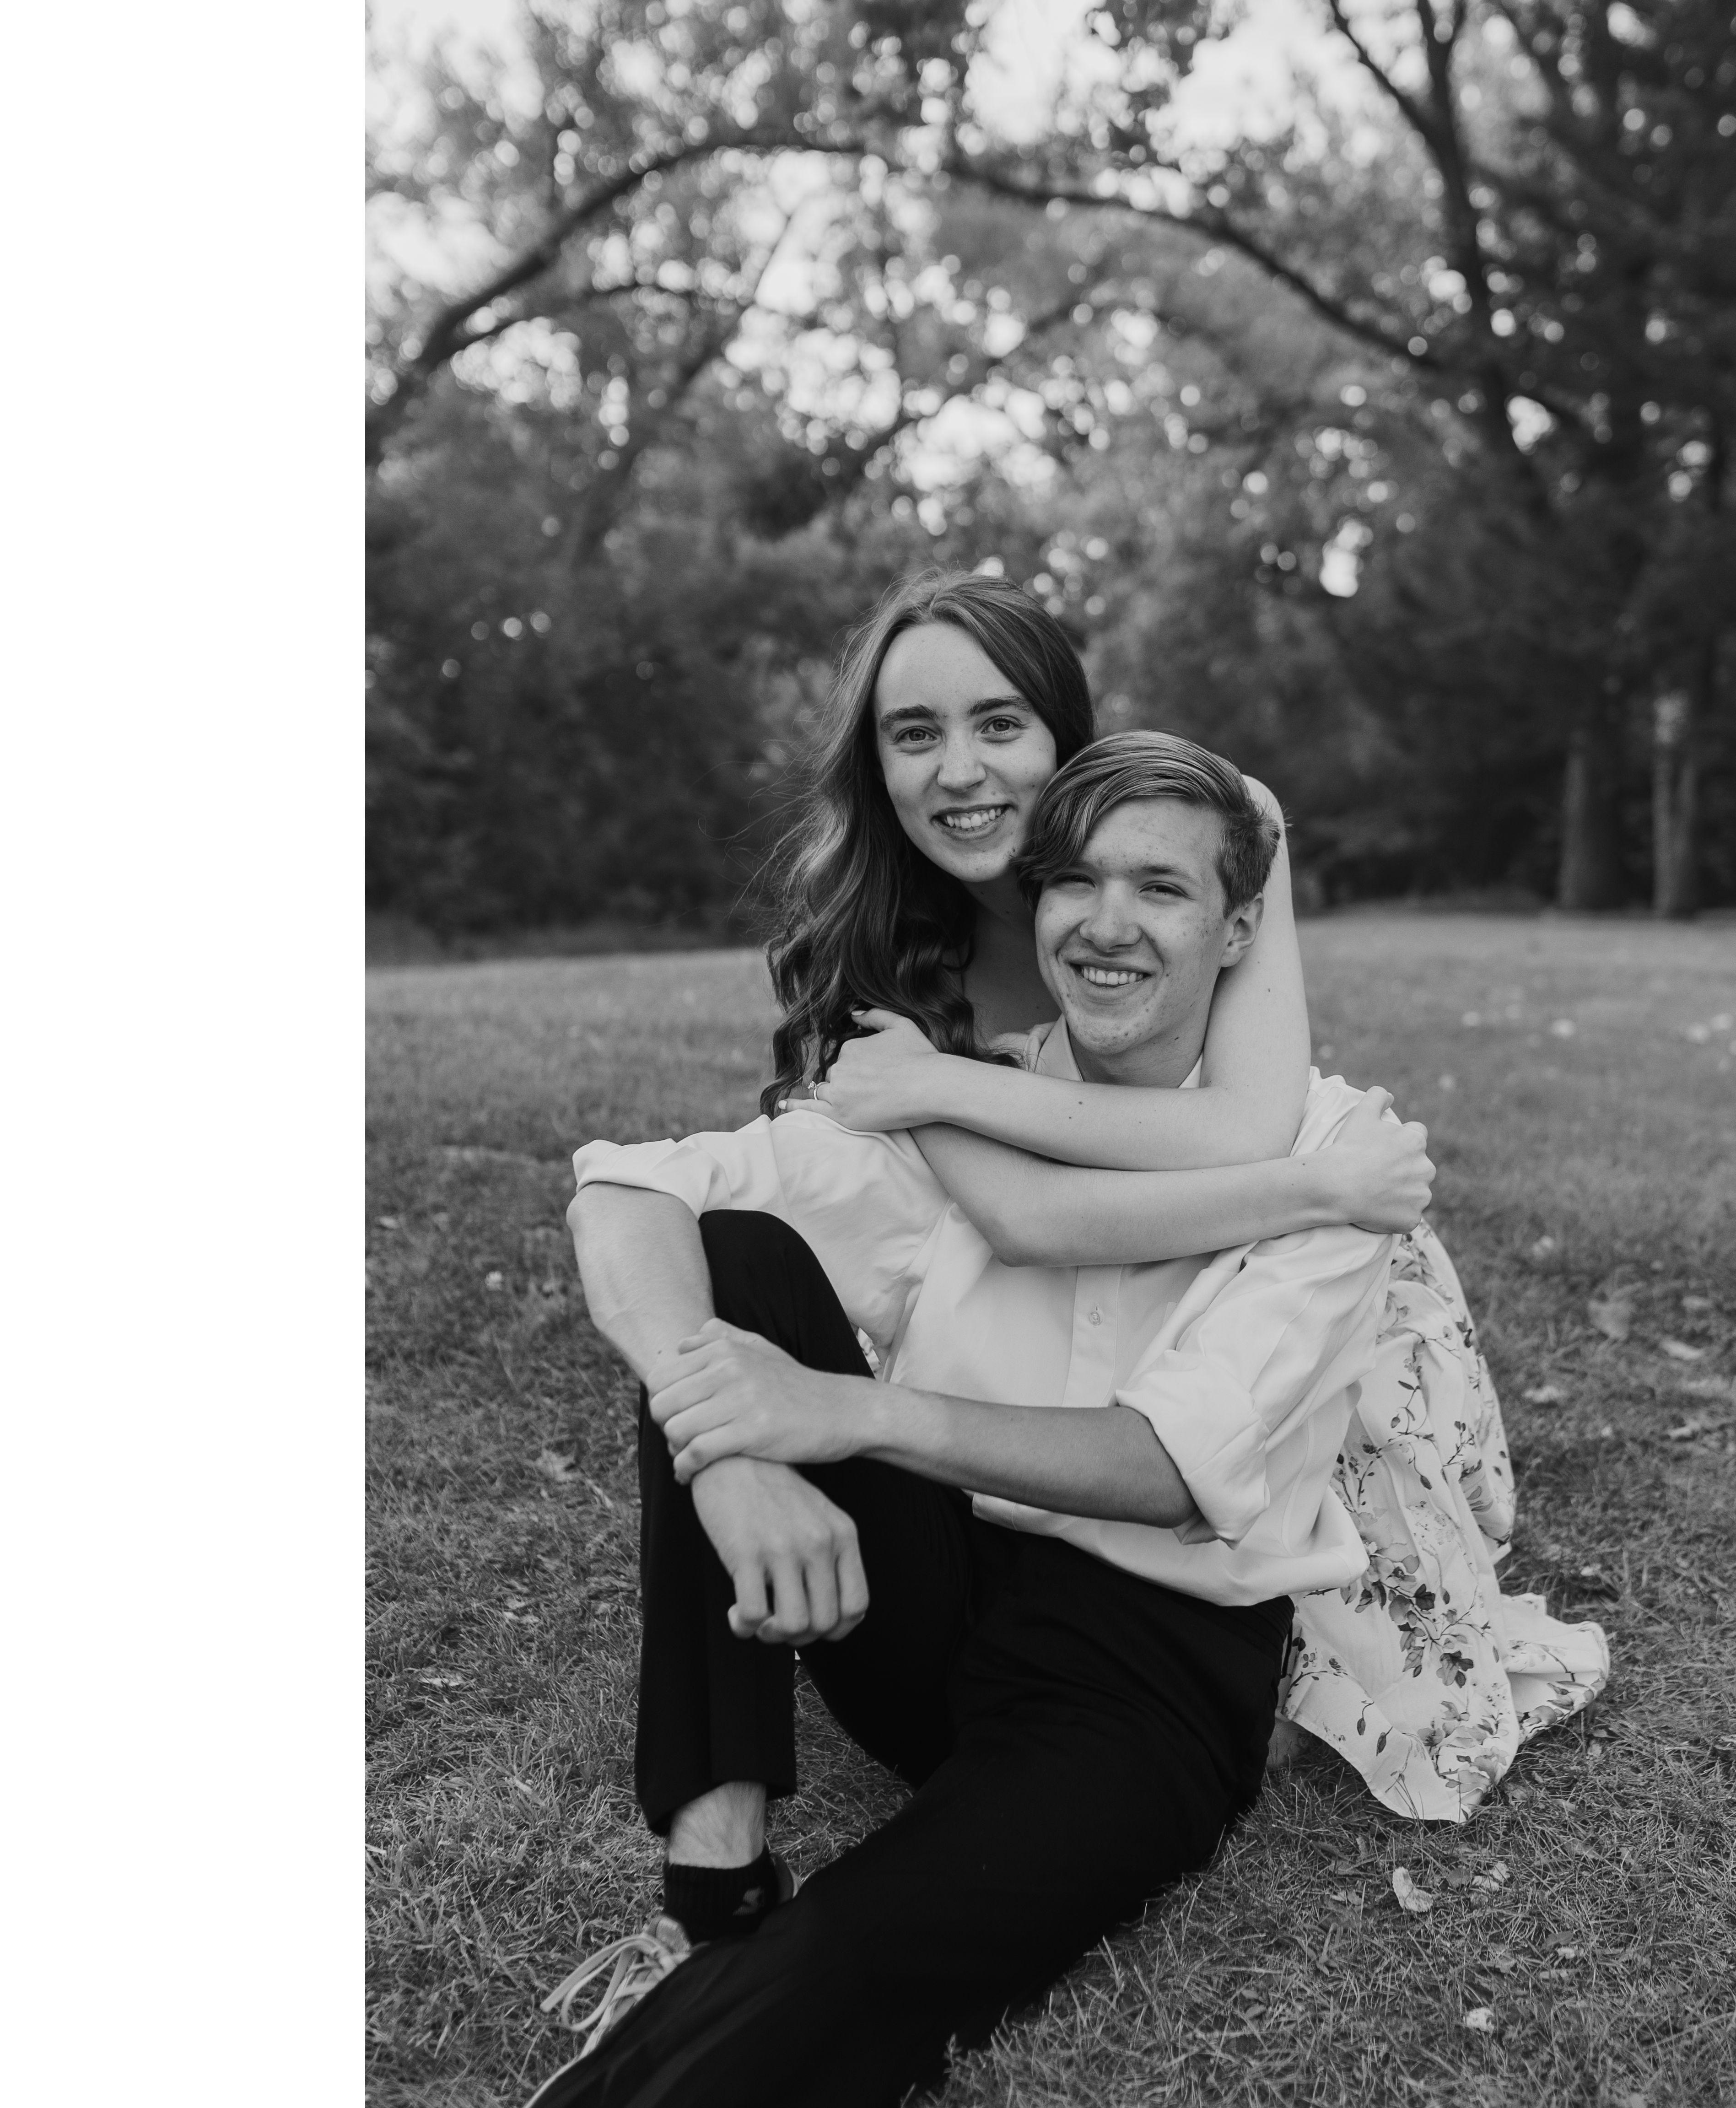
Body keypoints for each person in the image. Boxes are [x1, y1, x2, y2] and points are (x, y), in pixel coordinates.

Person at [540, 735, 1417, 2108]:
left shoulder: (1338, 1154)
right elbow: (629, 1192)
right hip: (931, 1605)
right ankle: (713, 1874)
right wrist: (728, 1456)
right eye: (1074, 882)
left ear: (1241, 927)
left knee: (866, 1951)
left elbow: (1162, 1466)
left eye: (1161, 889)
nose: (1107, 924)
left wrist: (847, 1412)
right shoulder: (953, 1097)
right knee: (736, 1259)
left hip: (1147, 1673)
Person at [758, 568, 1607, 1825]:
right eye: (914, 733)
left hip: (1272, 1228)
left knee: (1301, 1485)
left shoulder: (1222, 819)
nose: (959, 771)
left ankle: (1281, 1629)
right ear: (874, 763)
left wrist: (949, 1084)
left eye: (1000, 724)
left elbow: (1243, 1124)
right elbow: (1026, 1221)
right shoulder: (881, 955)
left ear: (1065, 731)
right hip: (1137, 1240)